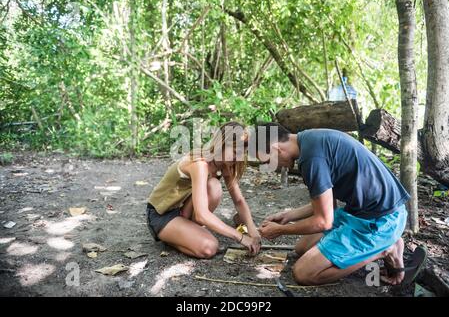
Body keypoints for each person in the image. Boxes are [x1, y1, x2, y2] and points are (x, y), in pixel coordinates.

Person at [256, 122, 427, 286]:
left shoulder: (311, 159)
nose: (272, 166)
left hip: (381, 221)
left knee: (303, 273)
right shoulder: (308, 140)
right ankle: (380, 245)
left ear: (275, 148)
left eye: (267, 160)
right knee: (302, 249)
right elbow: (328, 206)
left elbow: (323, 221)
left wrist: (281, 230)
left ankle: (385, 249)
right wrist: (288, 216)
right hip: (360, 213)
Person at [146, 121, 261, 259]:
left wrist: (253, 231)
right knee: (209, 247)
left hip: (183, 212)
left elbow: (239, 200)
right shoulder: (200, 163)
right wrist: (241, 237)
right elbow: (202, 215)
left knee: (214, 186)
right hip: (161, 215)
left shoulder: (225, 165)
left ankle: (188, 232)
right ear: (221, 145)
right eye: (236, 152)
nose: (238, 158)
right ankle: (172, 238)